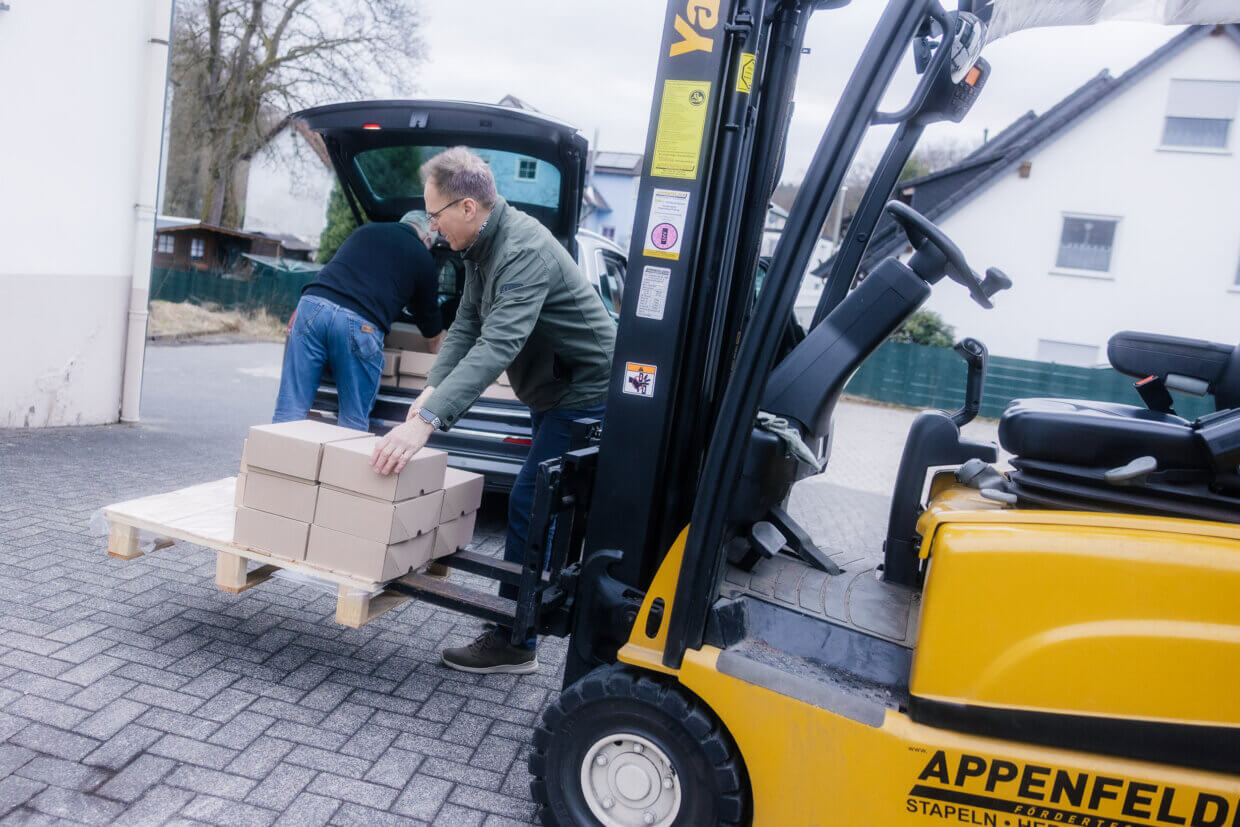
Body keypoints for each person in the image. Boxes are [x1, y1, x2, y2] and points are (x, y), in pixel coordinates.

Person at [371, 147, 616, 675]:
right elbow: (465, 327)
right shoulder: (484, 245)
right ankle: (517, 617)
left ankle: (516, 638)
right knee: (540, 504)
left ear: (465, 207)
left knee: (533, 503)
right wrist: (430, 392)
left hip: (585, 391)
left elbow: (497, 345)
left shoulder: (522, 251)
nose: (432, 229)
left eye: (434, 215)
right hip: (553, 389)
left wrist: (428, 424)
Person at [272, 211, 443, 431]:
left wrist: (303, 308)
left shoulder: (366, 230)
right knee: (352, 421)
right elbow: (429, 320)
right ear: (427, 239)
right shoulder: (422, 255)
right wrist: (438, 355)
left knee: (290, 408)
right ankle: (345, 464)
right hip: (358, 322)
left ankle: (275, 462)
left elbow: (335, 271)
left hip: (312, 306)